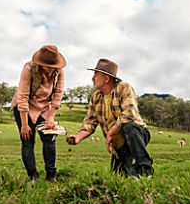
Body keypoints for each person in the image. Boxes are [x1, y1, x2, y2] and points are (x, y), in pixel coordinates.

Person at [66, 59, 153, 177]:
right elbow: (89, 123)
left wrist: (110, 133)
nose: (92, 78)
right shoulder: (96, 98)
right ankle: (134, 174)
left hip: (136, 134)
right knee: (119, 176)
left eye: (96, 75)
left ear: (106, 78)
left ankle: (145, 170)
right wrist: (77, 138)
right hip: (118, 144)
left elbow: (129, 113)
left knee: (130, 126)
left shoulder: (123, 87)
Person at [11, 45, 65, 182]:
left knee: (49, 139)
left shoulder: (59, 72)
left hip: (45, 107)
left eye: (53, 66)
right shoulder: (29, 69)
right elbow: (22, 97)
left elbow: (58, 94)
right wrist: (24, 124)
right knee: (28, 140)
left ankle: (51, 175)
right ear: (41, 64)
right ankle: (33, 176)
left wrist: (51, 116)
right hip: (25, 107)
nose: (51, 69)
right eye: (48, 66)